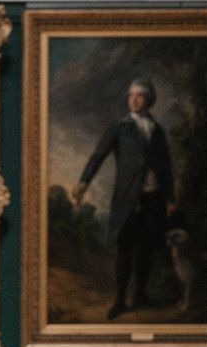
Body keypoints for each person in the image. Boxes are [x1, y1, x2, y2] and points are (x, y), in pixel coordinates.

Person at [71, 79, 174, 320]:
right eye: (131, 95)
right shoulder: (119, 127)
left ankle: (140, 295)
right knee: (125, 249)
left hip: (153, 199)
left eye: (139, 96)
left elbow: (166, 167)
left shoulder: (157, 130)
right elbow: (98, 156)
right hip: (127, 199)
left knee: (147, 249)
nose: (133, 99)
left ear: (148, 100)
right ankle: (119, 300)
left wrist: (170, 197)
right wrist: (83, 182)